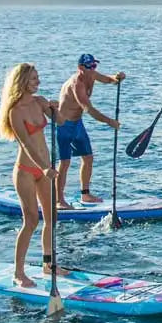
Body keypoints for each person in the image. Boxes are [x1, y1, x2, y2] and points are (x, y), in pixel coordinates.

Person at [0, 63, 58, 289]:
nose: (38, 82)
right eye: (33, 79)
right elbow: (27, 144)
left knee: (52, 219)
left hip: (45, 170)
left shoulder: (39, 102)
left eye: (38, 78)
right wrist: (44, 167)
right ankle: (18, 272)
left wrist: (55, 108)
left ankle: (48, 265)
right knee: (31, 221)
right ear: (21, 81)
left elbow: (59, 122)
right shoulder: (14, 111)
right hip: (26, 172)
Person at [54, 54, 125, 208]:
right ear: (80, 68)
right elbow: (89, 109)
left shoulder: (92, 74)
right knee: (65, 163)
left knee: (88, 158)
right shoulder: (76, 84)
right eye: (89, 66)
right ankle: (59, 200)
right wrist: (109, 121)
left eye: (94, 65)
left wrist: (117, 77)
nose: (93, 69)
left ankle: (85, 194)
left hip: (77, 123)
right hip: (64, 125)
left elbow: (108, 79)